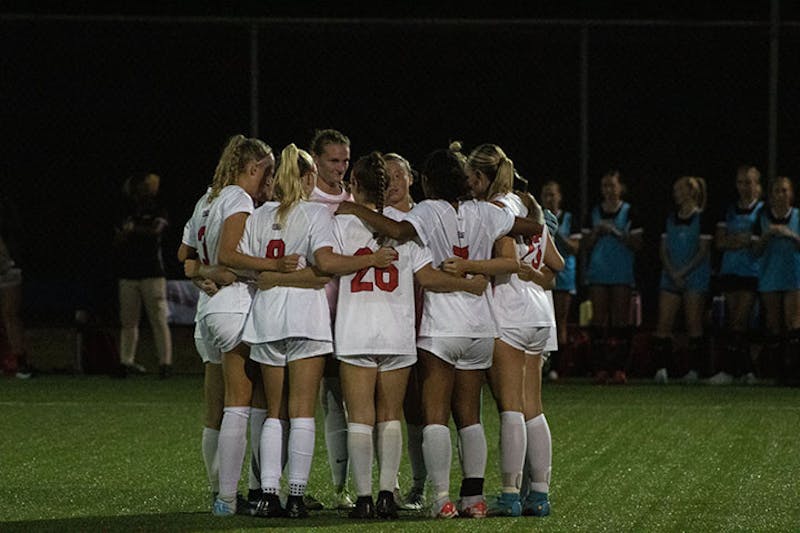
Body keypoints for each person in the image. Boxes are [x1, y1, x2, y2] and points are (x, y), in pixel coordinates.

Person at [336, 148, 542, 519]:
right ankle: (474, 499)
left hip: (442, 326)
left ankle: (442, 498)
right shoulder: (485, 211)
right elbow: (534, 227)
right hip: (480, 326)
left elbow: (397, 230)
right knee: (470, 416)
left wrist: (355, 209)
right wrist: (515, 216)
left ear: (427, 182)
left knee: (434, 416)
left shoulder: (428, 211)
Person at [240, 143, 397, 519]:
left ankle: (268, 496)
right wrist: (303, 278)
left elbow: (251, 271)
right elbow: (325, 266)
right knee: (303, 413)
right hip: (306, 322)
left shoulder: (259, 216)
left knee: (275, 414)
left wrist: (275, 277)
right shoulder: (315, 214)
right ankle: (296, 498)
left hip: (266, 322)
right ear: (309, 178)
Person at [183, 134, 300, 517]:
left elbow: (185, 254)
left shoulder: (208, 198)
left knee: (218, 406)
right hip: (233, 307)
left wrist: (201, 270)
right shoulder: (237, 198)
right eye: (266, 172)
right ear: (252, 168)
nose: (270, 182)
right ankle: (237, 496)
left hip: (208, 310)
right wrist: (273, 265)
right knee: (245, 404)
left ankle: (222, 491)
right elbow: (228, 254)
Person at [460, 143, 562, 517]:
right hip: (537, 312)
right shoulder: (530, 205)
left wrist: (465, 264)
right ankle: (540, 493)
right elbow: (556, 262)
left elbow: (505, 262)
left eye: (472, 178)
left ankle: (509, 494)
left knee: (511, 409)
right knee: (533, 407)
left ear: (484, 177)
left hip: (511, 311)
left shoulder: (497, 210)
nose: (469, 186)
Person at [307, 128, 355, 510]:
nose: (340, 168)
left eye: (344, 161)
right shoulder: (304, 199)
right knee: (299, 402)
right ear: (316, 160)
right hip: (307, 311)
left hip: (345, 316)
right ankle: (291, 486)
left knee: (339, 401)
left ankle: (341, 489)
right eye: (333, 161)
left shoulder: (354, 199)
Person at [383, 152, 426, 509]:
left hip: (424, 318)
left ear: (411, 177)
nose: (392, 182)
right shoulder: (373, 217)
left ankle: (421, 482)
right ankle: (389, 485)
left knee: (419, 406)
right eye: (385, 176)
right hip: (385, 321)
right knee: (385, 407)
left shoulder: (425, 214)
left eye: (398, 174)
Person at [581, 170, 643, 384]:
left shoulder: (630, 211)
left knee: (620, 322)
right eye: (604, 186)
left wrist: (616, 232)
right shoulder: (594, 213)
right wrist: (597, 232)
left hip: (621, 273)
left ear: (621, 188)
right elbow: (585, 244)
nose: (608, 190)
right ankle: (600, 369)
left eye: (612, 186)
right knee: (598, 322)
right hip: (598, 273)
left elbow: (637, 244)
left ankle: (619, 369)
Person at [651, 177, 713, 384]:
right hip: (670, 277)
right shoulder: (669, 218)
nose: (675, 193)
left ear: (690, 192)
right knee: (664, 324)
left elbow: (703, 251)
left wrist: (684, 272)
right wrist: (672, 273)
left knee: (694, 323)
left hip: (694, 277)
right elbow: (663, 249)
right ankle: (661, 369)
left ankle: (696, 370)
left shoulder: (702, 218)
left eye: (679, 189)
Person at [112, 172, 173, 378]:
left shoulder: (158, 209)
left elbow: (156, 231)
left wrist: (133, 230)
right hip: (128, 272)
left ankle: (165, 363)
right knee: (128, 321)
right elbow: (118, 237)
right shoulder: (127, 210)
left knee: (158, 319)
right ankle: (126, 361)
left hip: (152, 272)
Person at [710, 165, 763, 385]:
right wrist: (740, 240)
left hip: (752, 271)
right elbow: (720, 242)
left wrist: (746, 240)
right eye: (741, 182)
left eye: (749, 182)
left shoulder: (762, 210)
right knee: (734, 322)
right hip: (730, 270)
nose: (744, 187)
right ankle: (743, 372)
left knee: (742, 320)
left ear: (757, 185)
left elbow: (759, 242)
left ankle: (734, 370)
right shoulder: (729, 209)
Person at [753, 176, 800, 386]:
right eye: (776, 191)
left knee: (793, 323)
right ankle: (776, 372)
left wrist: (791, 235)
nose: (780, 195)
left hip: (793, 275)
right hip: (769, 276)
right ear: (770, 195)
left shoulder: (798, 216)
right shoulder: (762, 218)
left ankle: (794, 372)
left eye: (784, 190)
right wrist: (767, 236)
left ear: (791, 194)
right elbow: (755, 251)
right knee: (773, 324)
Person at [540, 180, 581, 380]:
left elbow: (575, 247)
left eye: (552, 194)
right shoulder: (535, 217)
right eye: (546, 194)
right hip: (541, 274)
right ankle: (543, 363)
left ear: (560, 196)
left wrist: (554, 235)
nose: (549, 198)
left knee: (560, 320)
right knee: (544, 319)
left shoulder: (570, 219)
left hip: (564, 275)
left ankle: (557, 367)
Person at [0, 191, 33, 378]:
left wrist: (7, 259)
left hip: (7, 269)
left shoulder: (7, 209)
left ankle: (21, 363)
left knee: (10, 315)